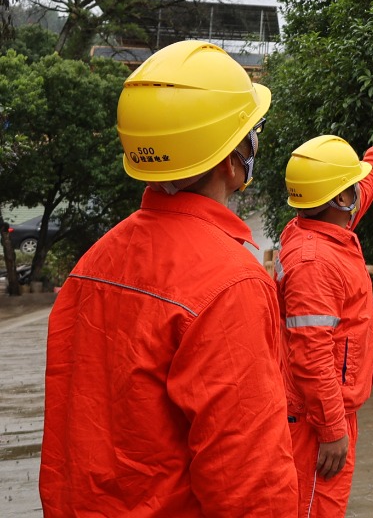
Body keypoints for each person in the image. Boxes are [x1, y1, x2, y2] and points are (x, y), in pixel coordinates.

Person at [40, 40, 298, 516]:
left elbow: (67, 440)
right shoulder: (232, 284)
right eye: (250, 135)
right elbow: (250, 485)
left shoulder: (92, 264)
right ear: (231, 160)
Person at [277, 90, 373, 517]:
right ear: (339, 200)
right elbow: (310, 354)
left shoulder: (322, 226)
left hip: (327, 409)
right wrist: (331, 428)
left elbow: (370, 177)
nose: (357, 190)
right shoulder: (313, 262)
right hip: (314, 416)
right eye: (348, 187)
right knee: (312, 507)